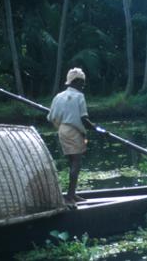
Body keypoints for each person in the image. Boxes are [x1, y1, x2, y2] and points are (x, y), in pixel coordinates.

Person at [47, 67, 95, 204]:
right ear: (76, 81)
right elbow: (84, 119)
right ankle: (70, 195)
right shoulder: (79, 96)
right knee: (77, 163)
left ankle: (72, 194)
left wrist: (63, 122)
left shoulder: (58, 96)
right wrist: (95, 128)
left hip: (62, 130)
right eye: (82, 82)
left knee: (72, 162)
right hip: (74, 131)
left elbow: (51, 117)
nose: (83, 85)